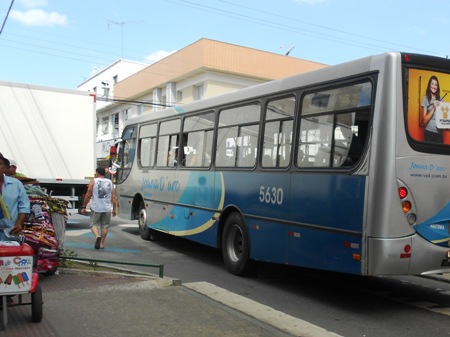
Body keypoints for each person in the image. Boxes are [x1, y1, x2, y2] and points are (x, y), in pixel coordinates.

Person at [81, 167, 116, 249]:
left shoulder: (94, 181)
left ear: (97, 173)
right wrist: (114, 209)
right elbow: (114, 197)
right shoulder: (110, 182)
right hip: (107, 208)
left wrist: (84, 206)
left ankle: (97, 236)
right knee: (105, 226)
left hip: (96, 207)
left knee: (93, 224)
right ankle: (102, 244)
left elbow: (88, 195)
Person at [0, 154, 30, 242]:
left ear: (5, 168)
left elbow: (24, 205)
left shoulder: (16, 184)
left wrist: (19, 224)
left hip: (10, 231)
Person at [421, 75, 443, 143]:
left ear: (437, 87)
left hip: (439, 133)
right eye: (432, 84)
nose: (434, 86)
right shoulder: (425, 99)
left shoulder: (441, 99)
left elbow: (444, 119)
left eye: (436, 85)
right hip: (429, 132)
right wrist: (434, 107)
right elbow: (424, 121)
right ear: (429, 85)